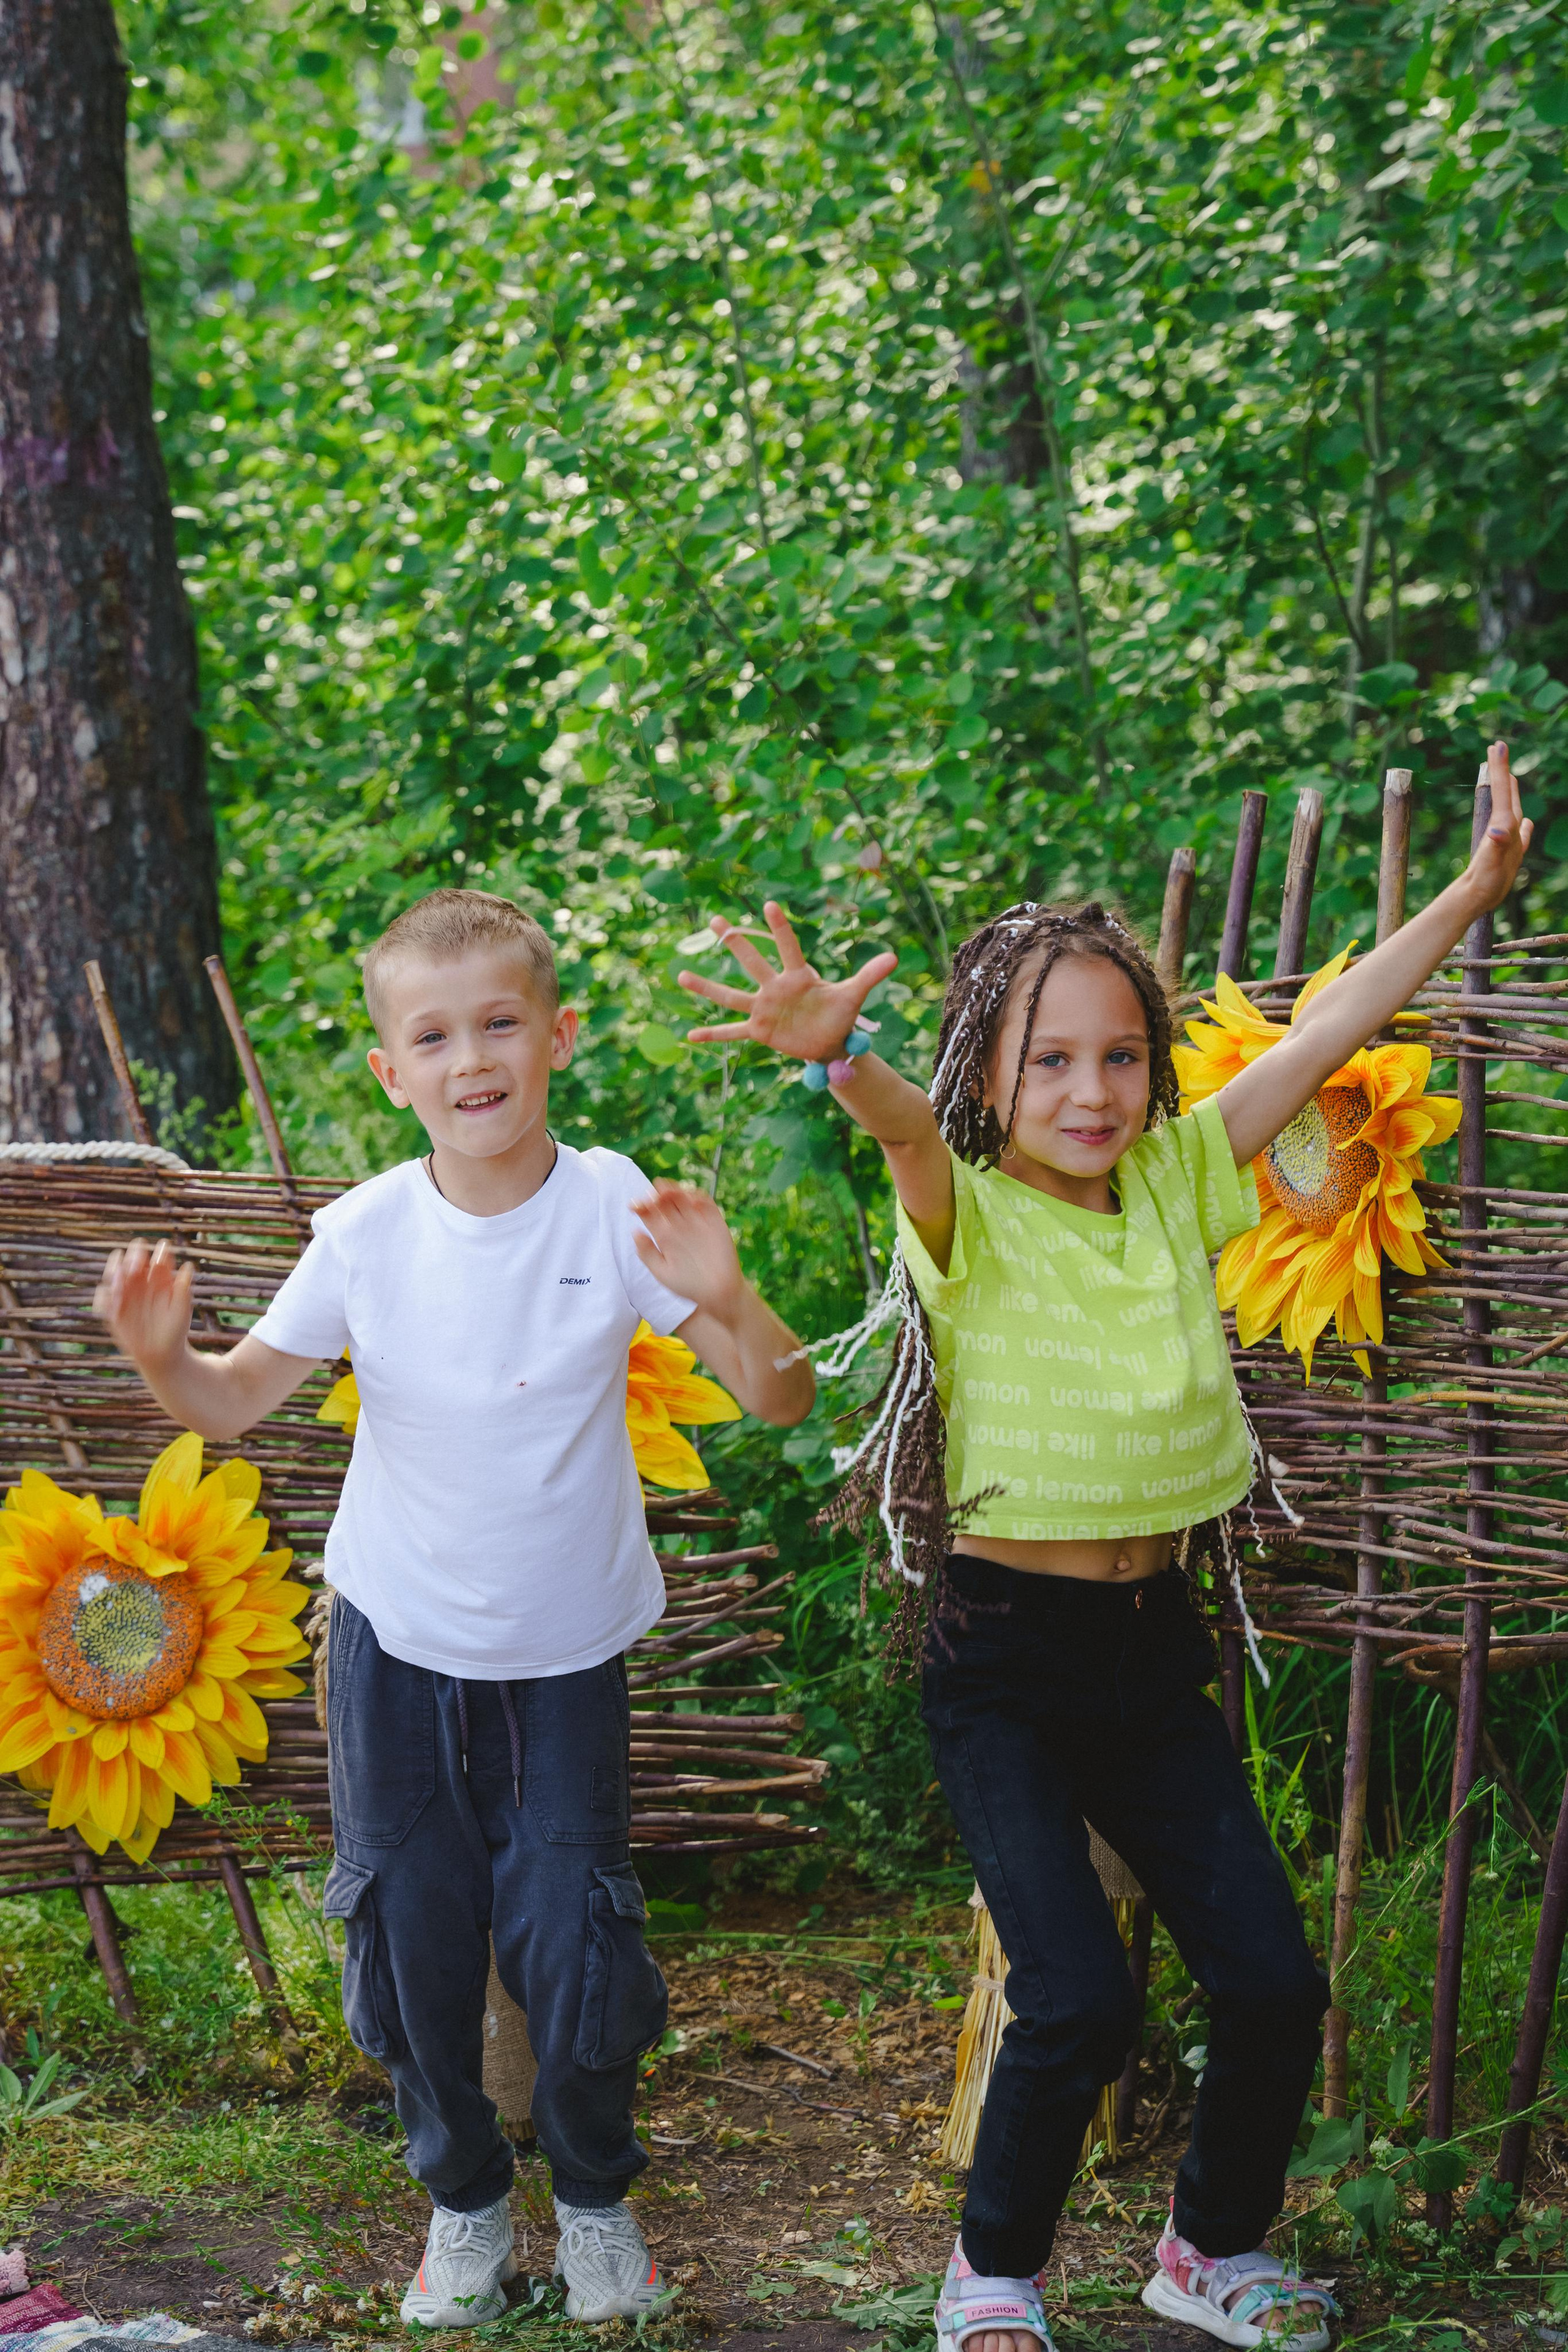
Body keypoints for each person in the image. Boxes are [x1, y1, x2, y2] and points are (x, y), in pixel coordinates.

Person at [679, 745, 1531, 2352]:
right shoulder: (967, 1213)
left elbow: (1338, 1026)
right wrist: (839, 1053)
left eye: (1121, 1056)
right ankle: (989, 2275)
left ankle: (1208, 2252)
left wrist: (1472, 896)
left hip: (1151, 1659)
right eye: (1051, 1060)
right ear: (988, 1080)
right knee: (1076, 1992)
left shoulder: (1177, 1180)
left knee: (1275, 1988)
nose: (1092, 1091)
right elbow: (896, 1136)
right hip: (1003, 1663)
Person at [96, 888, 815, 2330]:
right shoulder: (365, 1233)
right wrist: (163, 1359)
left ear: (556, 1033)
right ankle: (467, 2205)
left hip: (563, 1659)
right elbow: (234, 1400)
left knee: (575, 1935)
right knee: (410, 1936)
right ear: (391, 1069)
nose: (469, 1056)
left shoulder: (614, 1205)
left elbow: (780, 1396)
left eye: (497, 1024)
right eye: (433, 1034)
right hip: (393, 1651)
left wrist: (732, 1300)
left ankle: (599, 2202)